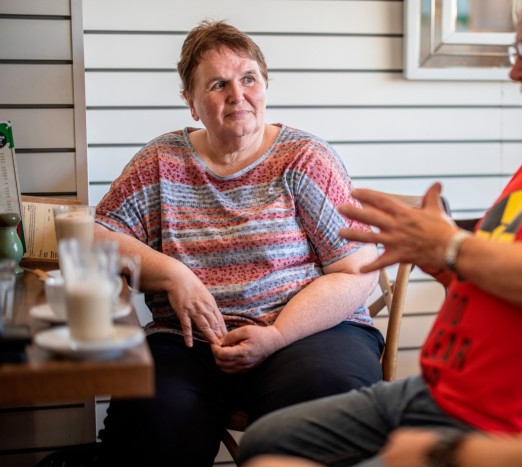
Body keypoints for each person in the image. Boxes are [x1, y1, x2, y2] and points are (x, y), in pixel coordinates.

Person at [236, 0, 522, 465]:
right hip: (442, 390)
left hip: (506, 422)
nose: (516, 71)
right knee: (265, 438)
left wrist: (451, 245)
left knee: (273, 456)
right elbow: (498, 274)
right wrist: (439, 258)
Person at [93, 20, 384, 466]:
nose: (237, 94)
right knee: (150, 416)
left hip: (307, 335)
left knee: (326, 399)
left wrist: (277, 334)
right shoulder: (161, 161)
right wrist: (173, 274)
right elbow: (97, 235)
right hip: (191, 343)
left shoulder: (304, 158)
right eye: (217, 84)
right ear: (191, 103)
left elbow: (357, 271)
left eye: (249, 78)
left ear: (265, 85)